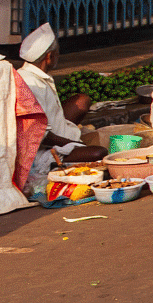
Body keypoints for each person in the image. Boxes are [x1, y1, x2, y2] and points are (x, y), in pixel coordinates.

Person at [16, 23, 103, 185]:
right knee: (99, 153)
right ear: (49, 57)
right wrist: (73, 144)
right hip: (42, 149)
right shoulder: (30, 84)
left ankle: (72, 138)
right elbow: (41, 135)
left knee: (82, 100)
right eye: (57, 54)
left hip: (55, 129)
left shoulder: (33, 74)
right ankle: (72, 145)